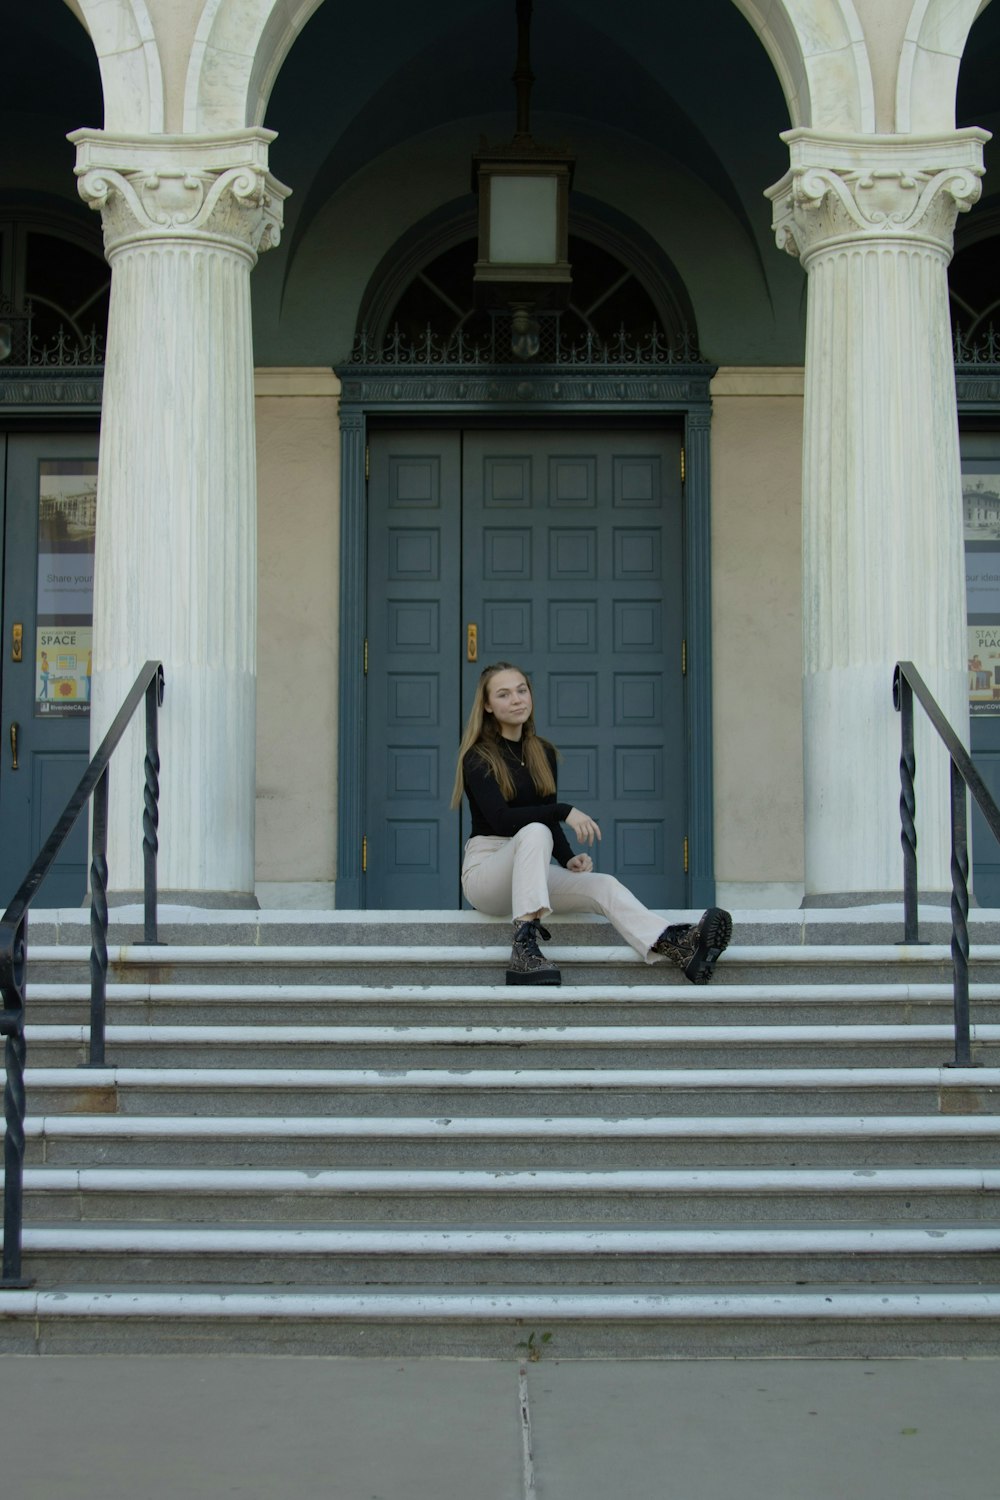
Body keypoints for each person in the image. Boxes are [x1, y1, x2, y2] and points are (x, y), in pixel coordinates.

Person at [452, 660, 732, 985]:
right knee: (535, 830)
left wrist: (568, 857)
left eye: (521, 690)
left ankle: (676, 945)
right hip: (488, 873)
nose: (516, 699)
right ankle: (524, 950)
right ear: (487, 705)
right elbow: (503, 821)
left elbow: (544, 819)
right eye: (503, 694)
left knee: (603, 884)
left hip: (532, 864)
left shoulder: (541, 751)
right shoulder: (478, 756)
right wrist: (563, 810)